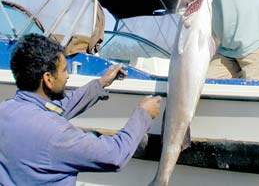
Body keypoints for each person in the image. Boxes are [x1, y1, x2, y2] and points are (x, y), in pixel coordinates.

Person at [0, 33, 161, 185]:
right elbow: (114, 155)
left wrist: (100, 84)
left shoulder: (6, 110)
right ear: (48, 78)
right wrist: (143, 114)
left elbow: (57, 109)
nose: (67, 76)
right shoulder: (55, 134)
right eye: (64, 70)